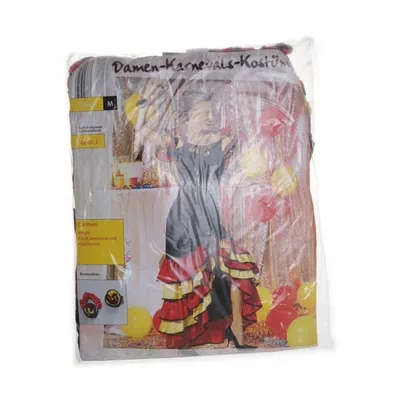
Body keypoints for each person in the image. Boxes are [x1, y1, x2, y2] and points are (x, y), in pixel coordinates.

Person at [136, 81, 261, 349]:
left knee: (234, 267)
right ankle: (188, 333)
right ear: (191, 115)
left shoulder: (223, 142)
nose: (210, 117)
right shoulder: (176, 143)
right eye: (205, 112)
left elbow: (249, 138)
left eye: (211, 111)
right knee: (186, 275)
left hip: (213, 213)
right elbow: (142, 131)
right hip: (184, 217)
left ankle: (237, 329)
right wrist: (145, 100)